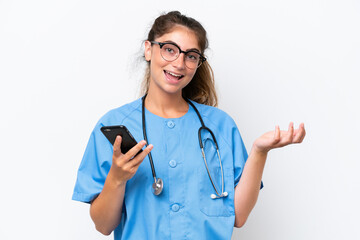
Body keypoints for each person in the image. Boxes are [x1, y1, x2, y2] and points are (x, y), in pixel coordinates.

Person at [72, 11, 306, 240]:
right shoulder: (114, 125)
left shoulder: (219, 126)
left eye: (191, 55)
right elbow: (103, 226)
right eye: (169, 50)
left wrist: (259, 151)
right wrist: (117, 178)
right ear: (148, 49)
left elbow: (239, 216)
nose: (179, 63)